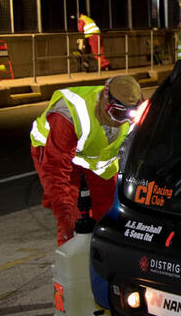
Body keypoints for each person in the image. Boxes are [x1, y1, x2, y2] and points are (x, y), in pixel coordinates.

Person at [30, 75, 144, 245]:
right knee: (70, 216)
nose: (125, 121)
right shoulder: (69, 114)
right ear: (107, 104)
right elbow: (55, 173)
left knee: (109, 212)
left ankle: (101, 250)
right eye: (118, 113)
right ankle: (70, 248)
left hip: (94, 158)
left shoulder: (137, 113)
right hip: (53, 150)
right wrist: (65, 218)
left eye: (130, 115)